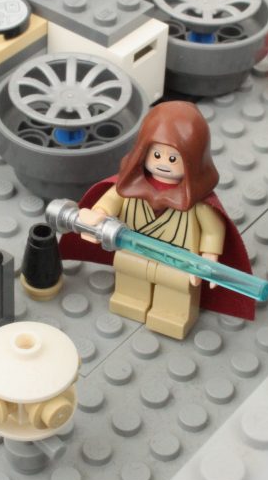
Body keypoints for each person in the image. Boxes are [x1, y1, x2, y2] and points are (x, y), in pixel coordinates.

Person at [59, 101, 255, 339]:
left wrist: (208, 258)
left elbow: (212, 229)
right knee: (130, 275)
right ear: (144, 151)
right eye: (157, 154)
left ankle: (172, 316)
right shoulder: (131, 187)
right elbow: (111, 199)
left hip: (179, 262)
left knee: (176, 288)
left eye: (173, 158)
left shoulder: (195, 201)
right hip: (132, 252)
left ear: (192, 159)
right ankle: (131, 300)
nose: (163, 163)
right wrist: (98, 213)